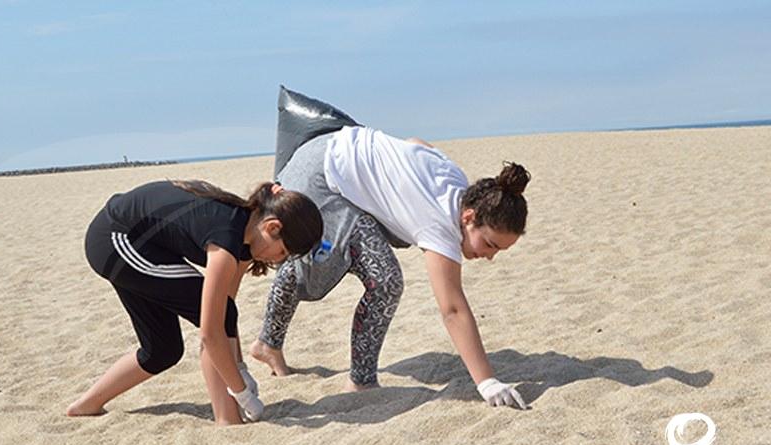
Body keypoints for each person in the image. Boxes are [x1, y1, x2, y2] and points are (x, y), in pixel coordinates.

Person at [250, 126, 530, 409]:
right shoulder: (439, 223)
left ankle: (268, 345)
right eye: (490, 244)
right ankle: (359, 381)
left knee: (361, 264)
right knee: (384, 281)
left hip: (324, 151)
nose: (490, 256)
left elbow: (416, 143)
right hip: (320, 179)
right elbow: (453, 310)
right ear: (469, 217)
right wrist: (487, 382)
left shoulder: (456, 181)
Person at [67, 179, 323, 425]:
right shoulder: (225, 242)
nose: (276, 261)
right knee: (218, 322)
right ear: (272, 227)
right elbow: (212, 333)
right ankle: (227, 418)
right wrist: (241, 391)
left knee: (163, 351)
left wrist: (239, 366)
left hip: (140, 242)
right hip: (115, 238)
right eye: (282, 252)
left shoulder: (244, 243)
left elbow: (224, 311)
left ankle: (86, 405)